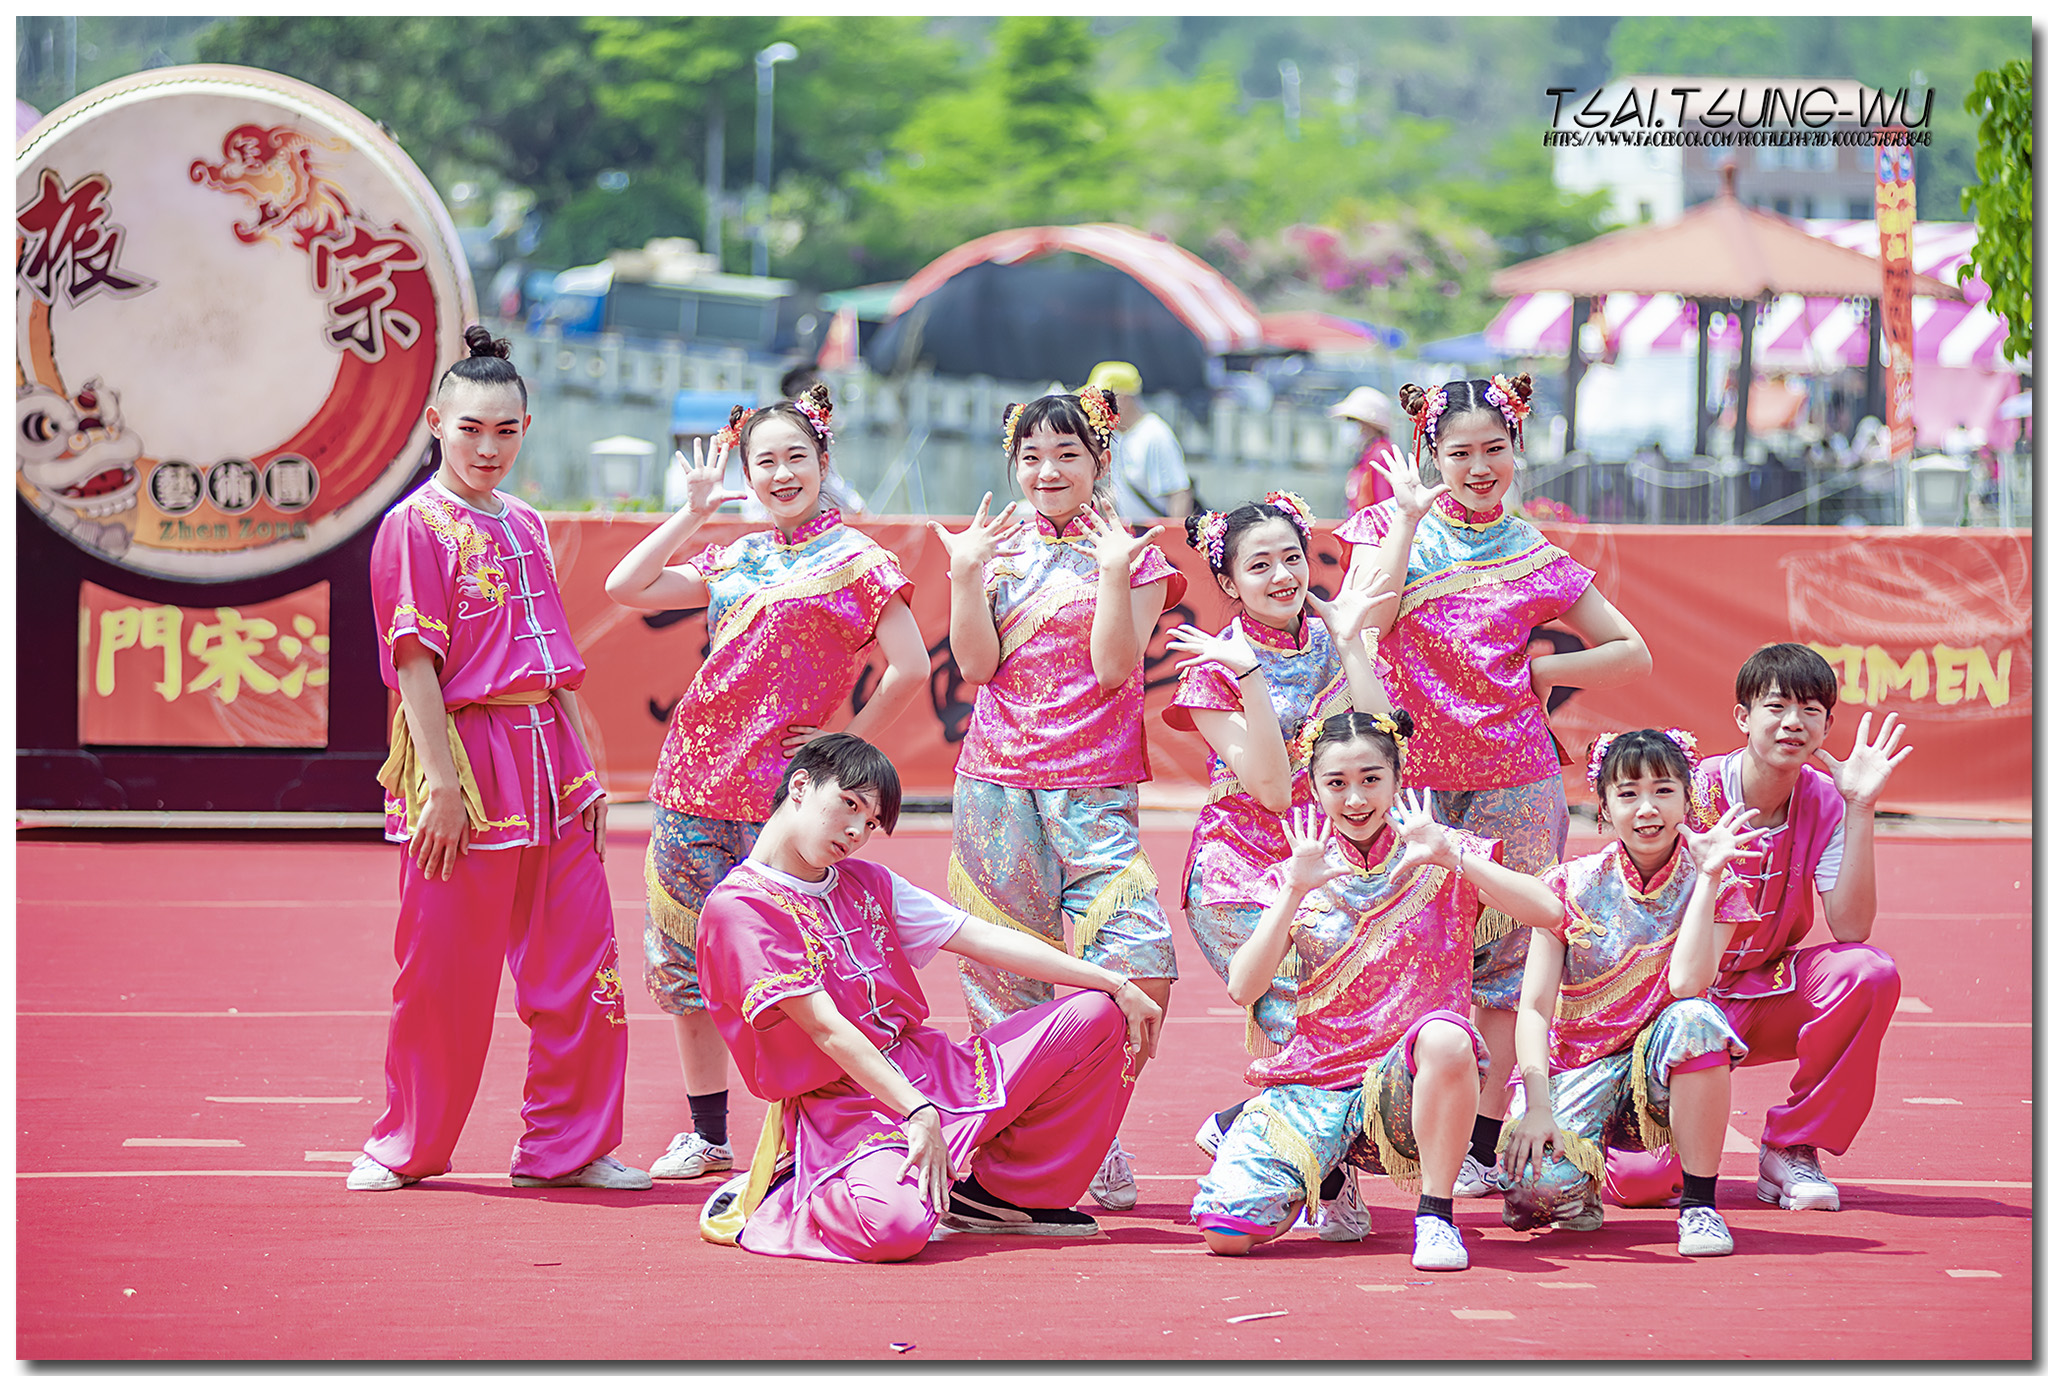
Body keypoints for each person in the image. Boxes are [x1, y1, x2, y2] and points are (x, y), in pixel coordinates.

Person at [1335, 373, 1652, 1200]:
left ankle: (1476, 1144)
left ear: (1517, 449)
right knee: (1395, 956)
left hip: (1516, 780)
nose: (1479, 467)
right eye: (1459, 452)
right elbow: (1361, 624)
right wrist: (1406, 523)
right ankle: (1375, 1134)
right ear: (1426, 454)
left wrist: (1543, 667)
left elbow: (1631, 652)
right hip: (1405, 792)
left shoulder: (1533, 551)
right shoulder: (1382, 526)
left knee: (1507, 973)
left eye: (1494, 450)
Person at [605, 385, 930, 1183]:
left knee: (799, 968)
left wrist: (846, 741)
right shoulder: (734, 554)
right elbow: (626, 587)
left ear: (824, 463)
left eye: (796, 458)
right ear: (746, 473)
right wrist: (693, 511)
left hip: (785, 800)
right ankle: (708, 1133)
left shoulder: (858, 561)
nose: (782, 474)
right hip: (689, 781)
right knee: (684, 961)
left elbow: (912, 666)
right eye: (765, 462)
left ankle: (815, 1132)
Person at [350, 325, 648, 1193]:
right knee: (442, 969)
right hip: (466, 756)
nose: (488, 447)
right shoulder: (414, 528)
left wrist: (587, 773)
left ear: (527, 427)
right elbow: (415, 664)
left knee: (582, 966)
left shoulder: (523, 521)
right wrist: (440, 787)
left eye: (506, 431)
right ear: (436, 422)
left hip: (552, 762)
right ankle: (408, 1145)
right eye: (470, 428)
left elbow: (556, 664)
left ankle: (570, 1148)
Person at [693, 734, 1164, 1263]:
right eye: (849, 804)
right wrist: (917, 1111)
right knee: (891, 1229)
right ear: (801, 786)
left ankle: (1006, 1198)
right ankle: (789, 1189)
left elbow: (980, 937)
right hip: (842, 1105)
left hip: (931, 1069)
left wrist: (1116, 983)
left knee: (1099, 1012)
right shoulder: (741, 908)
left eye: (871, 823)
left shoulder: (866, 881)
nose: (856, 832)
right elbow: (827, 1031)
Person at [928, 385, 1187, 1213]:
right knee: (1005, 978)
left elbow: (1115, 669)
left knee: (1139, 959)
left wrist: (1111, 571)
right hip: (997, 782)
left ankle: (1095, 1125)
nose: (1047, 471)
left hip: (1094, 786)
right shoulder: (992, 550)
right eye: (1031, 456)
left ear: (1100, 461)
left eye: (1066, 454)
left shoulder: (1136, 558)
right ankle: (1023, 1149)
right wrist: (965, 575)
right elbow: (976, 667)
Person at [1187, 712, 1561, 1270]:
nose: (1356, 798)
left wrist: (1454, 856)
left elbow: (1549, 911)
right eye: (1336, 783)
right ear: (1313, 789)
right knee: (1228, 1234)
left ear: (1397, 778)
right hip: (1315, 1087)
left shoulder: (1444, 851)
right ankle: (1324, 1172)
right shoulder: (1300, 871)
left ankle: (1435, 1217)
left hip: (1406, 1091)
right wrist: (1291, 891)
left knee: (1446, 1038)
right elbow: (1245, 987)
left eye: (1370, 779)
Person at [1435, 729, 1764, 1259]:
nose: (1647, 807)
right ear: (1605, 807)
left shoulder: (1718, 883)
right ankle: (1583, 1184)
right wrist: (1538, 1105)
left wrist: (1706, 879)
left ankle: (1701, 1206)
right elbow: (1536, 1009)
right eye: (1628, 793)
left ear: (1688, 798)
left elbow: (1686, 984)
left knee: (1697, 1020)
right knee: (1533, 1194)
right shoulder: (1572, 882)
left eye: (1663, 790)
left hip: (1658, 1070)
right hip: (1577, 1070)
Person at [1603, 645, 1910, 1213]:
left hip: (1762, 990)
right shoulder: (1685, 791)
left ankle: (1792, 1148)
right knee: (1644, 1184)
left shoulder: (1827, 801)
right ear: (1743, 717)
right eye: (1777, 706)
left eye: (1811, 710)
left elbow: (1850, 926)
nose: (1794, 722)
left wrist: (1862, 807)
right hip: (1668, 999)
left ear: (1826, 726)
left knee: (1868, 972)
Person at [1163, 495, 1394, 1239]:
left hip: (1333, 869)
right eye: (1257, 565)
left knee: (1365, 1023)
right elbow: (1267, 787)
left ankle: (1269, 1138)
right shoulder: (1210, 669)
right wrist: (1252, 675)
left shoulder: (1329, 636)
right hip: (1241, 877)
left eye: (1292, 556)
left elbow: (1383, 742)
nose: (1281, 575)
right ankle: (1290, 1164)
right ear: (1228, 583)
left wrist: (1353, 641)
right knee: (1303, 1023)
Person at [1087, 361, 1193, 522]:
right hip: (1133, 535)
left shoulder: (1155, 434)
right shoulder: (1119, 435)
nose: (1094, 407)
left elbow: (1179, 494)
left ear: (1122, 398)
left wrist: (1175, 540)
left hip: (1155, 538)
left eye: (1099, 400)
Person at [1330, 386, 1399, 517]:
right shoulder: (1367, 454)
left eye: (1352, 420)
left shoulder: (1381, 454)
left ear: (1371, 424)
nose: (1348, 425)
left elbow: (1385, 508)